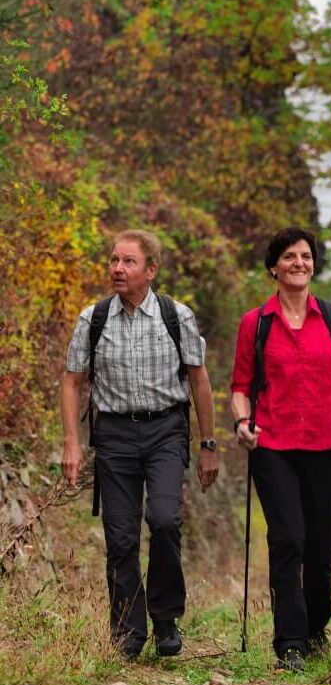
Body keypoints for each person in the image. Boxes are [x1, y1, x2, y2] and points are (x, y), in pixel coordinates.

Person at [60, 229, 219, 661]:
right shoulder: (93, 319)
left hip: (165, 430)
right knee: (121, 537)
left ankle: (165, 617)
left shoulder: (176, 316)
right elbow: (72, 383)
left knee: (164, 520)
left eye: (128, 261)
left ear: (151, 270)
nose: (117, 268)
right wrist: (72, 443)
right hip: (113, 435)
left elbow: (199, 381)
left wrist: (208, 444)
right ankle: (128, 634)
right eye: (114, 260)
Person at [231, 226, 331, 672]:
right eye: (289, 256)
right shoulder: (256, 323)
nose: (299, 263)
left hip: (327, 443)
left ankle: (315, 627)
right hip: (273, 446)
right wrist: (242, 423)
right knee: (288, 539)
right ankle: (290, 641)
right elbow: (240, 387)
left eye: (305, 256)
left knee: (322, 545)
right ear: (274, 266)